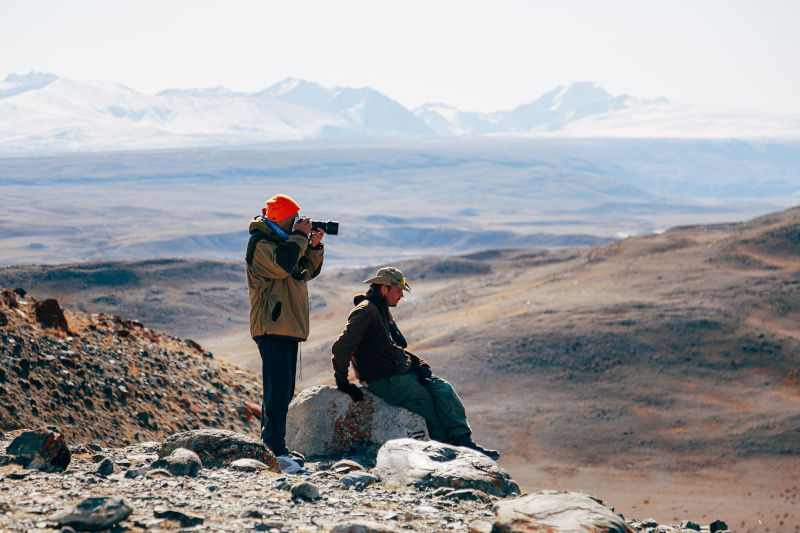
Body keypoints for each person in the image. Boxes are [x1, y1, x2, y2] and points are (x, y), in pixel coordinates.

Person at [331, 267, 500, 460]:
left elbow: (390, 346)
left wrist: (417, 363)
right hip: (384, 379)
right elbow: (341, 347)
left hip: (397, 372)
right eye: (398, 290)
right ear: (384, 289)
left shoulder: (380, 309)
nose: (402, 295)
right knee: (428, 404)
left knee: (443, 388)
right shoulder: (366, 311)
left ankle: (462, 440)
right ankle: (450, 456)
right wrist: (342, 382)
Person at [247, 194, 324, 467]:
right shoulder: (261, 243)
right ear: (279, 218)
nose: (298, 223)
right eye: (294, 219)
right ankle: (274, 450)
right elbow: (283, 266)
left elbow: (305, 271)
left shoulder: (286, 242)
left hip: (288, 325)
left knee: (283, 390)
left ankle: (275, 447)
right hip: (272, 325)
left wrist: (313, 246)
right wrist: (300, 238)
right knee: (277, 391)